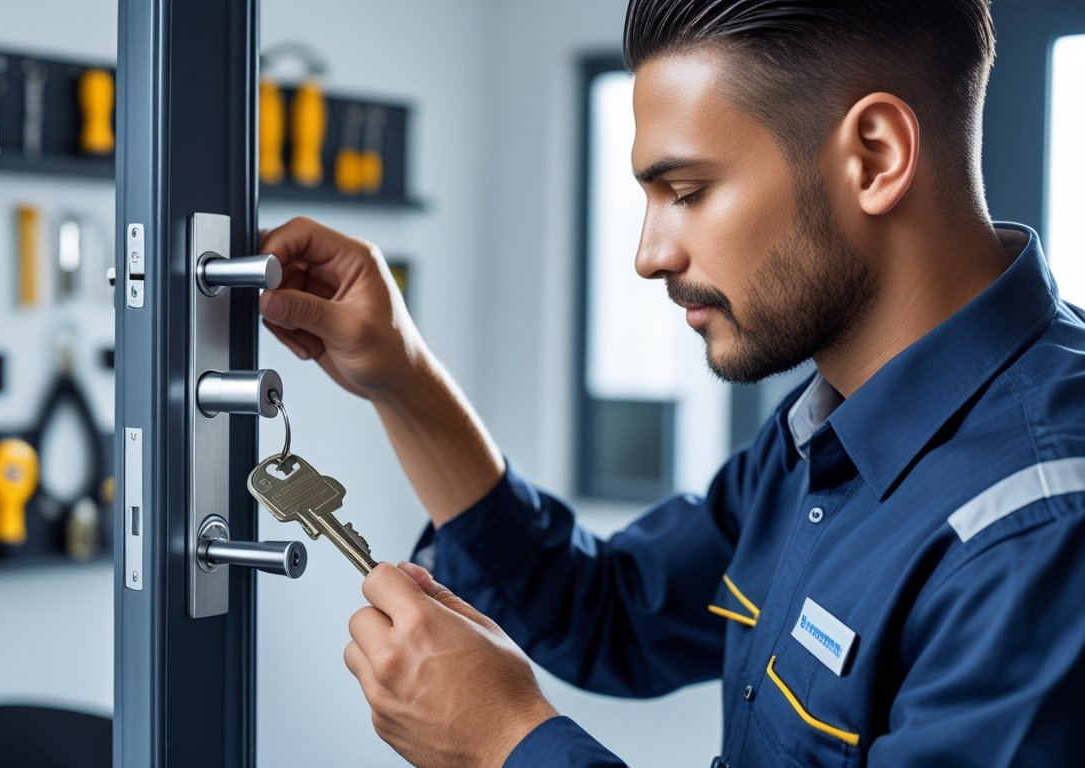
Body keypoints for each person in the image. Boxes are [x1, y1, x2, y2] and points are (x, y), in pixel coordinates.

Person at [257, 0, 1085, 765]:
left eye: (687, 192)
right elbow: (607, 611)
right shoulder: (823, 431)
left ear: (874, 156)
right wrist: (400, 373)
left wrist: (509, 743)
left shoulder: (1042, 532)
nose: (650, 254)